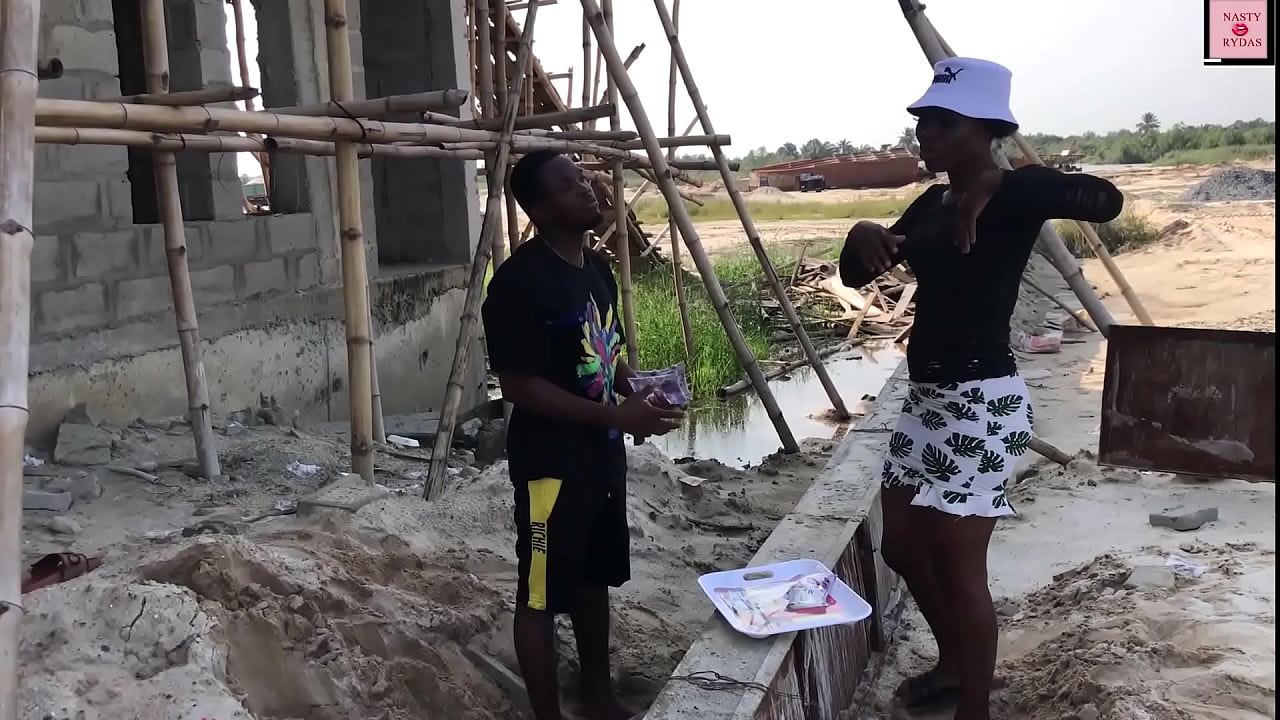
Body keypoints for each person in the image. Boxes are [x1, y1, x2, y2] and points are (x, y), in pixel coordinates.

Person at [839, 58, 1123, 720]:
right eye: (921, 122)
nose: (924, 134)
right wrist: (860, 234)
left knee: (961, 569)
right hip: (929, 402)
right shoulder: (933, 202)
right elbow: (857, 273)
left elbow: (1103, 200)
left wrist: (1005, 180)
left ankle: (974, 709)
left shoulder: (1016, 195)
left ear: (987, 129)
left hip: (980, 404)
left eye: (942, 123)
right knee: (904, 547)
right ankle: (956, 665)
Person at [481, 149, 685, 720]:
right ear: (540, 209)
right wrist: (618, 418)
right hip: (549, 468)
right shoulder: (518, 284)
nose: (588, 189)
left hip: (601, 459)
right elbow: (521, 386)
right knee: (541, 592)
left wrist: (637, 391)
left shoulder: (594, 269)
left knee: (596, 578)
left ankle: (599, 692)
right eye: (570, 186)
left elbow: (605, 346)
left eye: (584, 179)